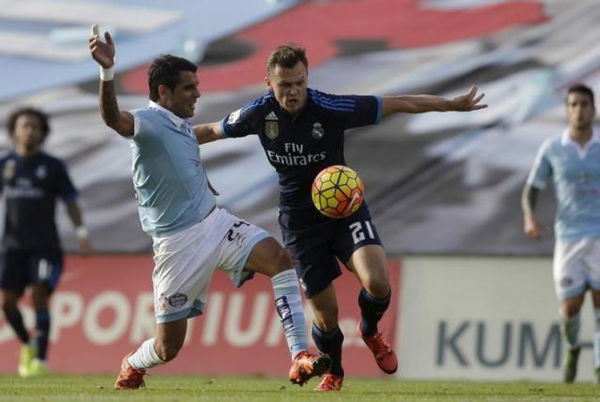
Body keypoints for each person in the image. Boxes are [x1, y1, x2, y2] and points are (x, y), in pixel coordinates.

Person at [193, 43, 487, 391]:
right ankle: (335, 371)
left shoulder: (329, 107)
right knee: (326, 317)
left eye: (299, 82)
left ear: (307, 78)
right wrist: (159, 147)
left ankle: (370, 331)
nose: (292, 91)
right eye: (284, 84)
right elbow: (210, 130)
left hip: (343, 209)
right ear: (269, 84)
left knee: (377, 281)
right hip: (300, 223)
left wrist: (450, 105)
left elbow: (398, 103)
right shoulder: (258, 114)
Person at [88, 28, 331, 390]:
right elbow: (113, 119)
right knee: (168, 348)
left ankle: (299, 356)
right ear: (163, 92)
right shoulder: (148, 123)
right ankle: (133, 363)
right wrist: (107, 72)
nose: (198, 92)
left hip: (216, 224)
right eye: (189, 87)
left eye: (196, 85)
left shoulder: (180, 126)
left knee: (280, 260)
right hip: (177, 245)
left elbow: (190, 151)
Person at [0, 107, 92, 377]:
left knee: (39, 294)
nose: (29, 130)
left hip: (44, 247)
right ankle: (28, 345)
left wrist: (82, 234)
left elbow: (70, 201)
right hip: (11, 247)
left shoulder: (52, 166)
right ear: (14, 131)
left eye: (35, 126)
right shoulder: (5, 164)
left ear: (42, 133)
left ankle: (40, 360)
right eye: (24, 125)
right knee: (7, 303)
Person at [522, 83, 600, 384]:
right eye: (573, 105)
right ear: (567, 110)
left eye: (584, 104)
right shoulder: (553, 148)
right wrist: (529, 217)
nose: (579, 110)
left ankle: (598, 366)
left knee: (599, 302)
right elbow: (532, 188)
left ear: (593, 109)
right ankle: (572, 347)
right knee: (570, 306)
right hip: (568, 236)